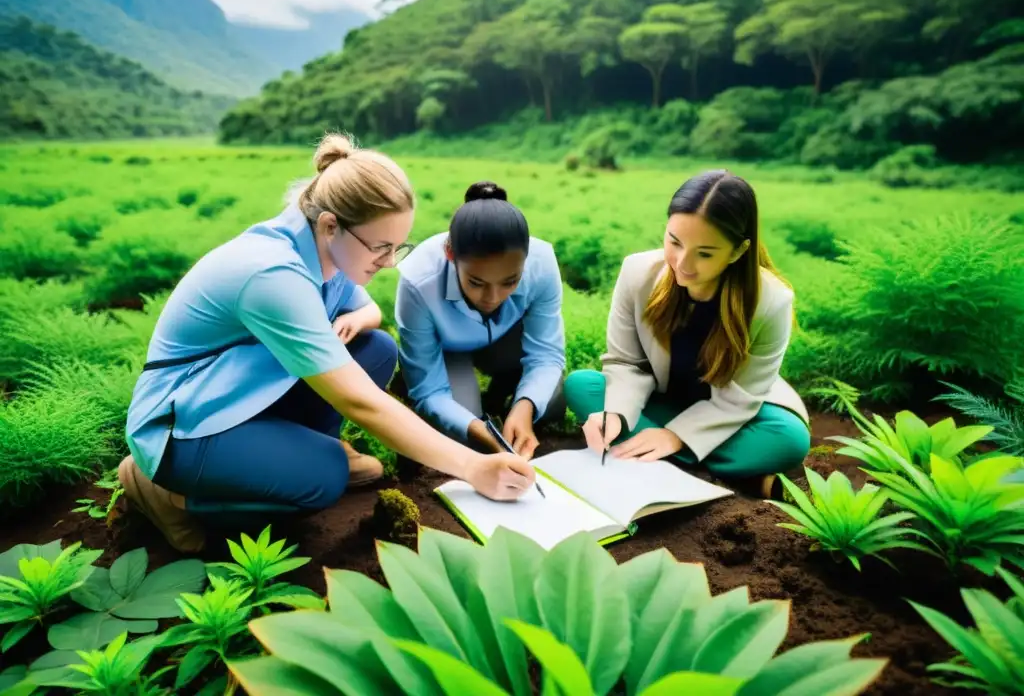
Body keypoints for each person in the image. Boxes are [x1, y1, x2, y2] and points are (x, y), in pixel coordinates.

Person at [119, 134, 537, 553]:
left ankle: (304, 449)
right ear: (330, 224)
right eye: (381, 247)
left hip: (237, 386)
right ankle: (171, 495)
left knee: (375, 350)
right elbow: (362, 403)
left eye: (398, 246)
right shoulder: (272, 276)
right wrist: (472, 466)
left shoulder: (327, 250)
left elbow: (365, 320)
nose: (390, 262)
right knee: (323, 480)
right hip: (184, 424)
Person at [564, 170, 810, 496]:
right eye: (674, 242)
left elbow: (742, 397)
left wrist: (676, 436)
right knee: (582, 386)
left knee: (789, 439)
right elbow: (625, 363)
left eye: (705, 253)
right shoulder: (638, 273)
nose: (682, 263)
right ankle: (732, 476)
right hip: (660, 402)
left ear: (737, 252)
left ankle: (659, 459)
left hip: (727, 415)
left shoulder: (771, 301)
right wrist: (618, 416)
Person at [393, 182, 566, 460]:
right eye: (476, 282)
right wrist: (475, 428)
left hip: (505, 343)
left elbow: (546, 355)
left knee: (553, 401)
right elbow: (429, 390)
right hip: (449, 351)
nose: (492, 297)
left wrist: (525, 408)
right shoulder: (418, 280)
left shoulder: (541, 262)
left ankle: (505, 398)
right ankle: (410, 380)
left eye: (511, 281)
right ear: (451, 254)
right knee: (458, 428)